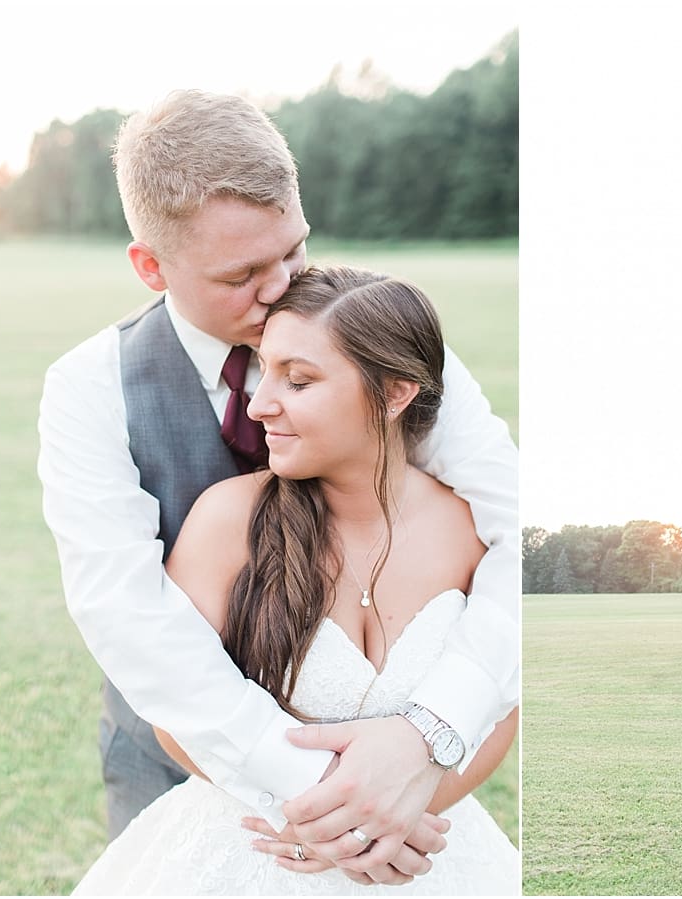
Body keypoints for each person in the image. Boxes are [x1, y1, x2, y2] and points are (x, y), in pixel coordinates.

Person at [38, 89, 518, 883]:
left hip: (417, 782)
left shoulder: (377, 349)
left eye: (293, 250)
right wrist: (321, 799)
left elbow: (517, 530)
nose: (282, 286)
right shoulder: (91, 387)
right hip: (187, 769)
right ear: (151, 266)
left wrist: (425, 738)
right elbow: (124, 611)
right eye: (244, 273)